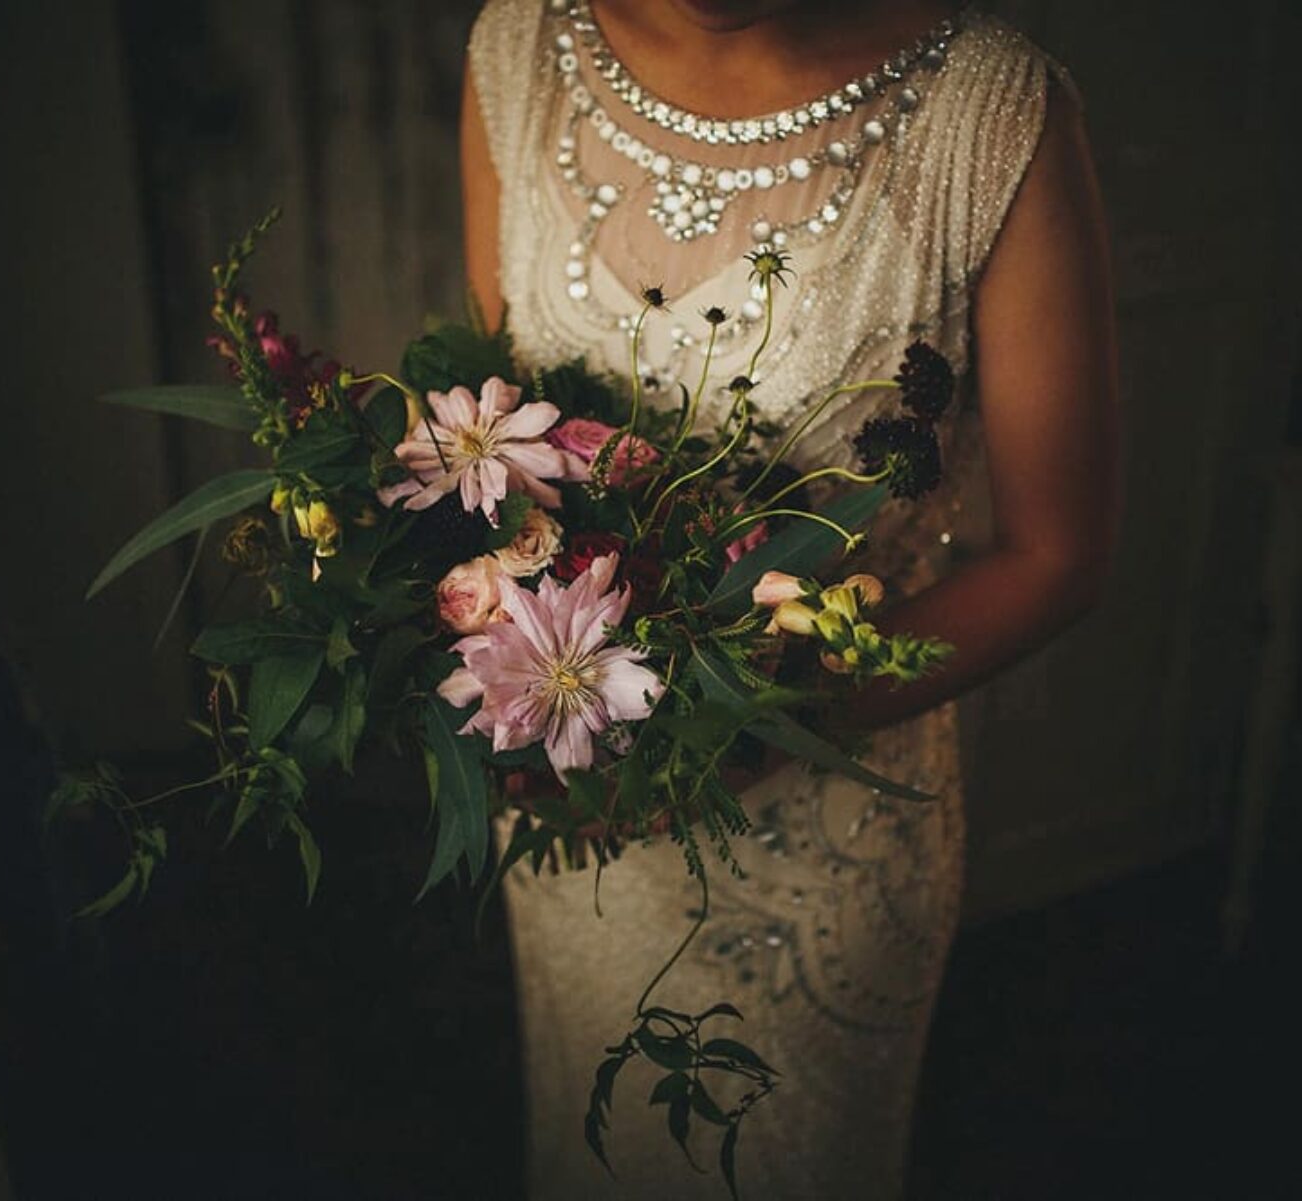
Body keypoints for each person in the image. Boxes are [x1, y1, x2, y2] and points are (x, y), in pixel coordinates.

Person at [460, 0, 1118, 1196]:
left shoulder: (990, 111)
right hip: (568, 798)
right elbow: (508, 447)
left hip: (819, 846)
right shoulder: (518, 46)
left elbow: (1058, 552)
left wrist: (742, 730)